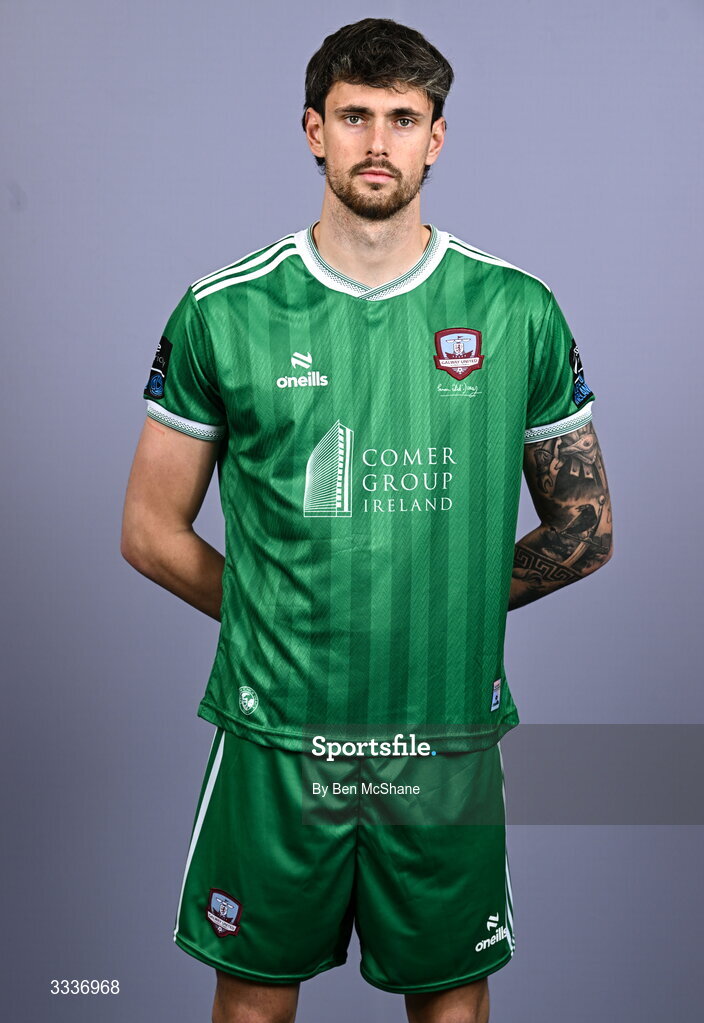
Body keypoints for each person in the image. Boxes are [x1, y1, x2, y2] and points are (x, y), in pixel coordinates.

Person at [121, 17, 613, 1023]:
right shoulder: (223, 311)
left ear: (436, 137)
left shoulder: (516, 310)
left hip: (442, 741)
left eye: (402, 117)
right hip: (276, 737)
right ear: (313, 130)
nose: (376, 141)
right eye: (353, 116)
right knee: (254, 1003)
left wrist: (446, 614)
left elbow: (581, 531)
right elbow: (150, 530)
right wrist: (276, 621)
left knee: (447, 1004)